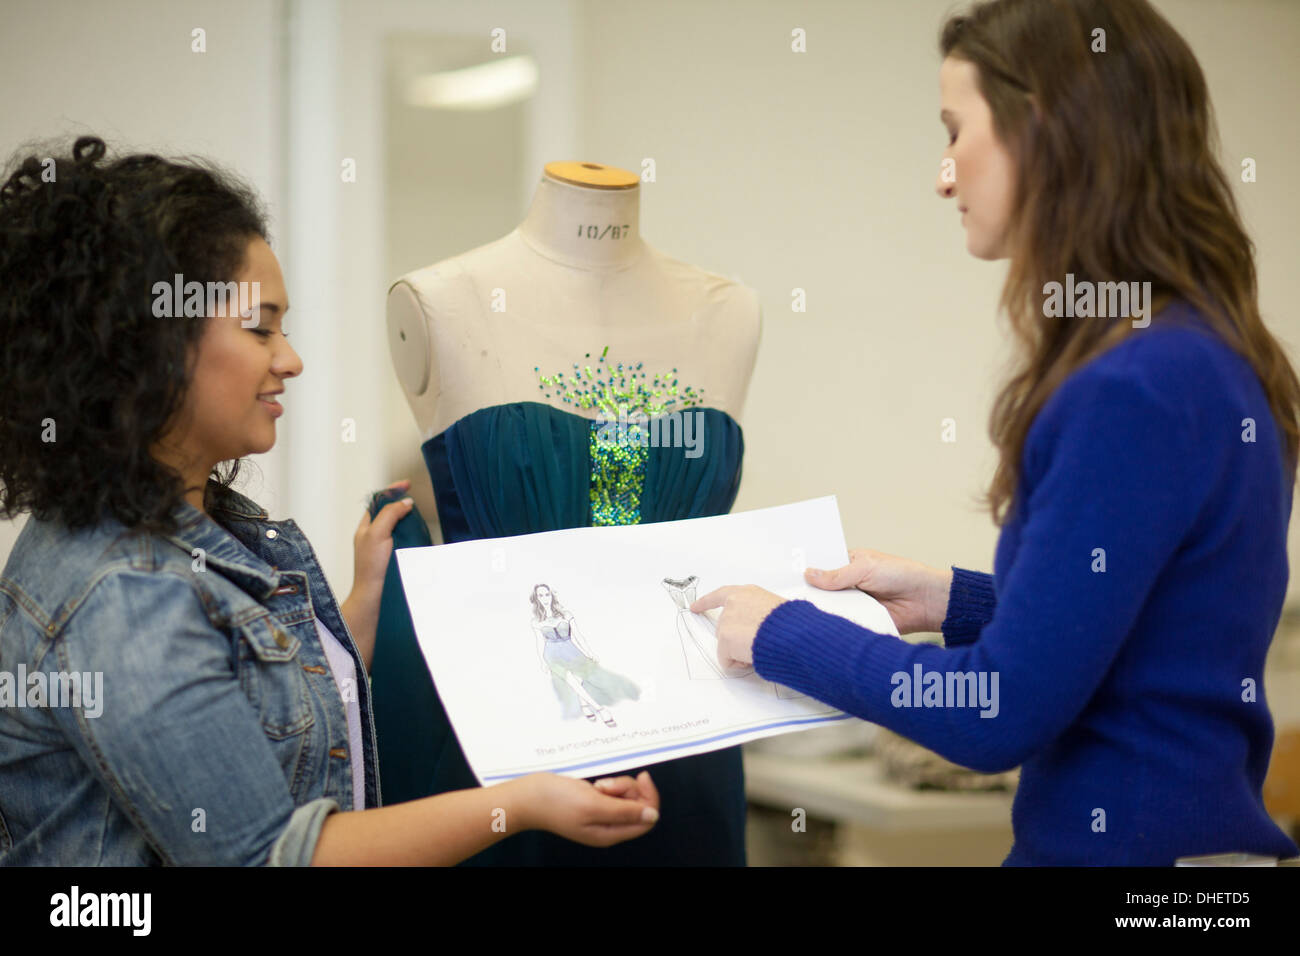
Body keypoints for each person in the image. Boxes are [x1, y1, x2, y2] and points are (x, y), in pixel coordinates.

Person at [694, 0, 1300, 865]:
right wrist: (956, 599)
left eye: (954, 131)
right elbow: (1147, 630)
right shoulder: (1208, 352)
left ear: (1043, 129)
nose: (943, 176)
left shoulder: (1132, 386)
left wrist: (781, 633)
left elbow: (996, 711)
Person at [0, 135, 658, 865]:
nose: (290, 359)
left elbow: (257, 719)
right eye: (259, 328)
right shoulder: (125, 595)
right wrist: (521, 803)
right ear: (148, 343)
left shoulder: (205, 537)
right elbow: (268, 856)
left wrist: (357, 612)